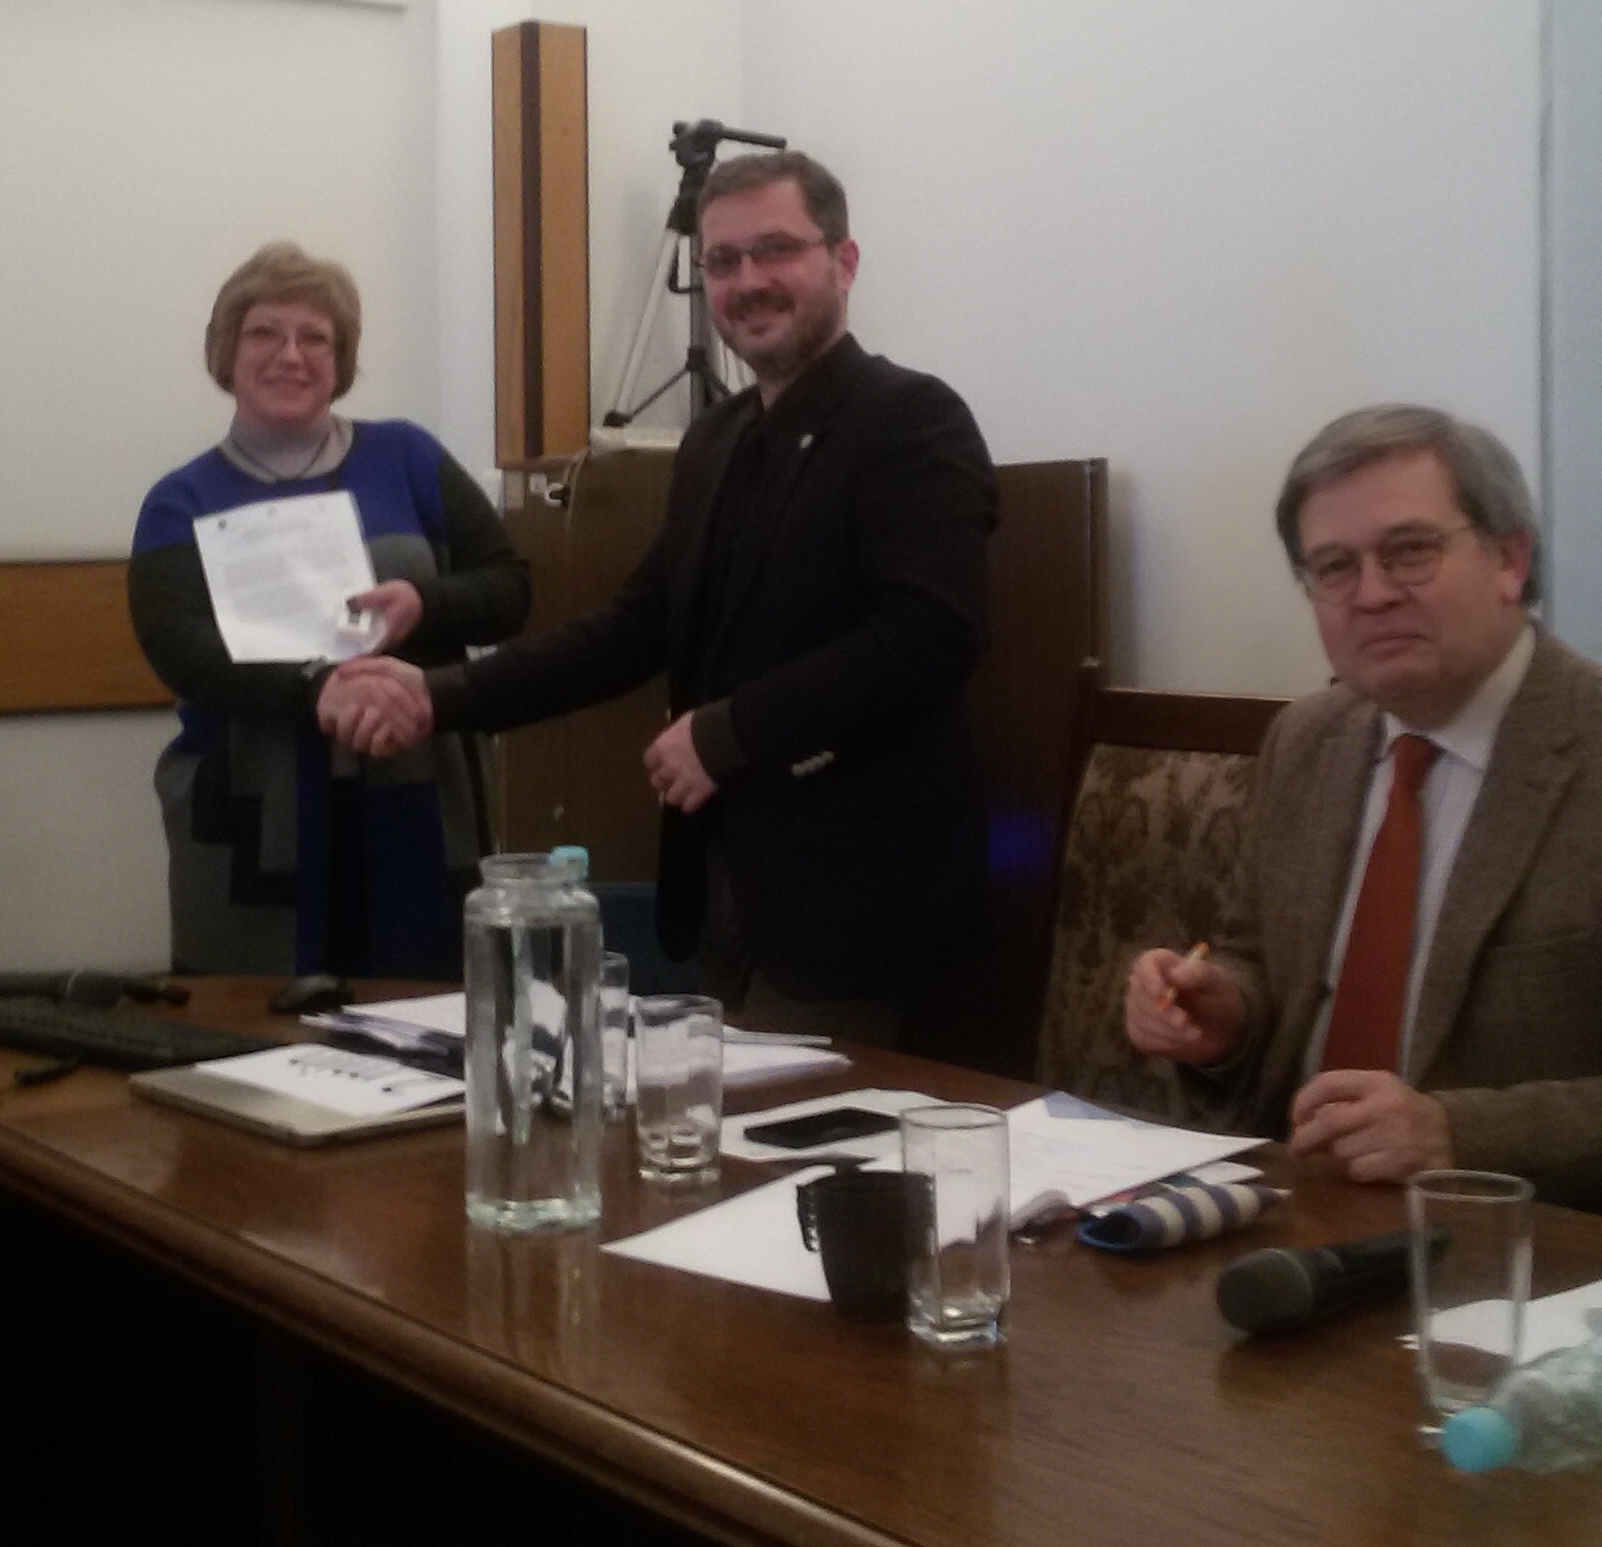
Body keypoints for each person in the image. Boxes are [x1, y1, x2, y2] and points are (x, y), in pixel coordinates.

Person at [328, 150, 999, 1046]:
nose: (748, 281)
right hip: (726, 898)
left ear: (844, 261)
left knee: (783, 1132)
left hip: (863, 910)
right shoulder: (714, 439)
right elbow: (632, 627)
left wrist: (729, 732)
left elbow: (931, 634)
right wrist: (435, 695)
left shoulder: (911, 417)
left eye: (775, 249)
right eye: (722, 261)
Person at [1126, 405, 1602, 1208]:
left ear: (1509, 558)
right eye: (1335, 566)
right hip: (1287, 1205)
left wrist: (1461, 1134)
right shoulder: (1306, 739)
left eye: (1410, 550)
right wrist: (1224, 1018)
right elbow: (1252, 956)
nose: (1372, 593)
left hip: (1518, 1241)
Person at [128, 243, 531, 979]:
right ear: (226, 352)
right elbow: (180, 648)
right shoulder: (180, 500)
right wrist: (318, 689)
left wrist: (425, 603)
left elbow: (510, 590)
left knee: (427, 1017)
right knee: (254, 1031)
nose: (291, 354)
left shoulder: (409, 458)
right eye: (265, 332)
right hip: (251, 826)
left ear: (340, 360)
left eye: (314, 337)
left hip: (421, 804)